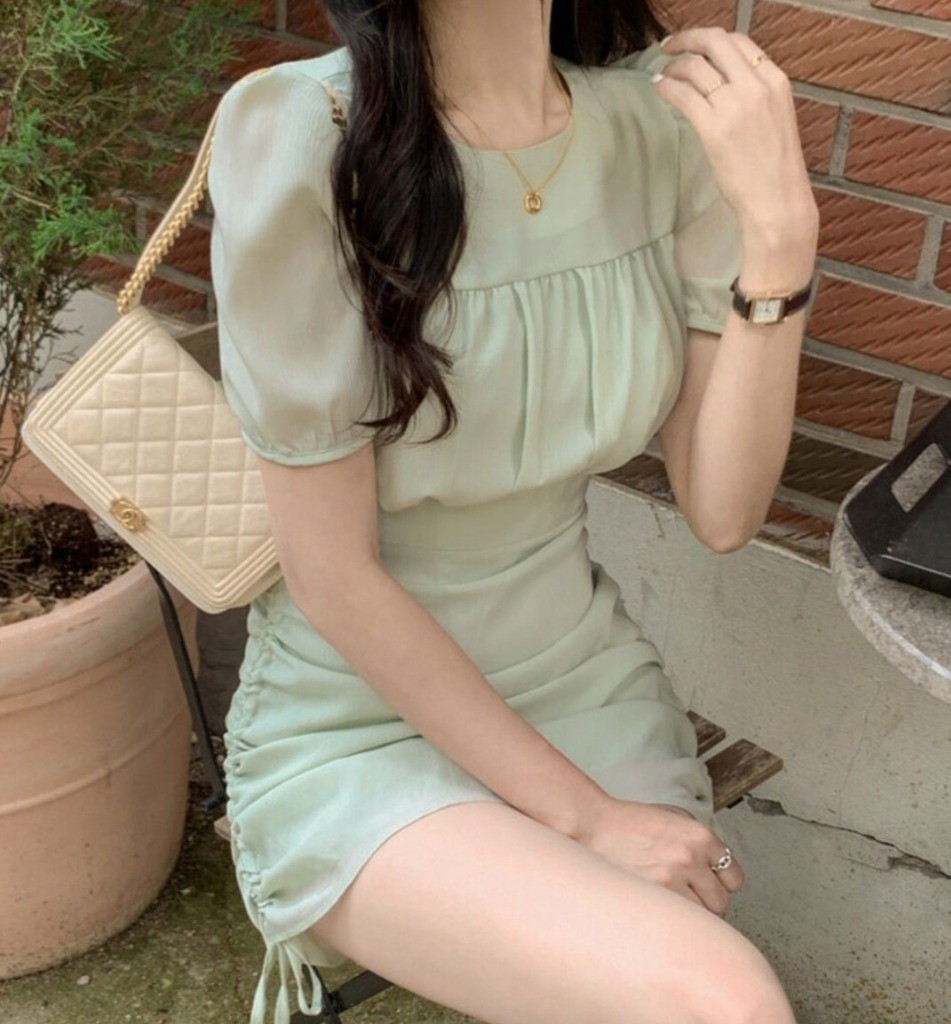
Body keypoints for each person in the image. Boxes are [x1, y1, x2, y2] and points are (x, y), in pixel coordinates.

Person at [208, 2, 817, 1022]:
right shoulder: (305, 136)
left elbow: (723, 512)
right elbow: (332, 575)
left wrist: (781, 239)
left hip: (583, 687)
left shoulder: (661, 125)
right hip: (356, 720)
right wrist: (589, 819)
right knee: (722, 999)